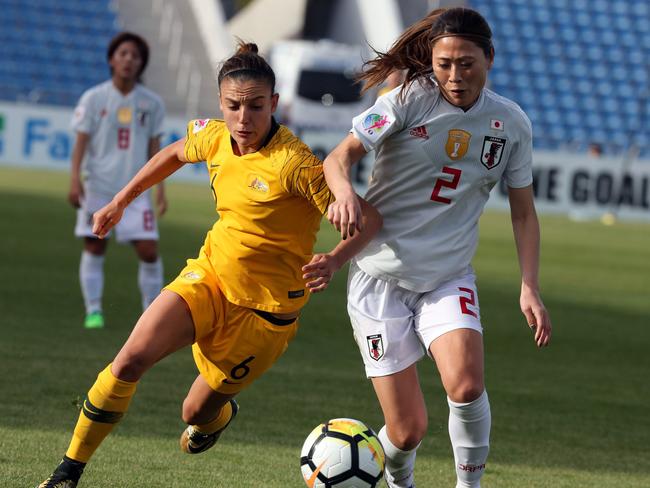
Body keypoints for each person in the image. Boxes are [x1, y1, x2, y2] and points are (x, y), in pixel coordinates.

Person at [37, 41, 381, 488]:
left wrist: (335, 259)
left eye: (256, 107)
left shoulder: (294, 164)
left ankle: (215, 418)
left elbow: (369, 220)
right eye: (234, 106)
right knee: (128, 362)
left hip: (265, 314)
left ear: (274, 103)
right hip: (210, 277)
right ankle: (68, 472)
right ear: (220, 103)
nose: (244, 118)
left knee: (193, 412)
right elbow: (174, 153)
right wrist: (120, 201)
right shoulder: (215, 135)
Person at [323, 7, 552, 488]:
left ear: (489, 58)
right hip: (379, 278)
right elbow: (339, 157)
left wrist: (529, 285)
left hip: (448, 275)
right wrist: (345, 193)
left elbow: (523, 212)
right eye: (444, 63)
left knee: (467, 386)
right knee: (407, 432)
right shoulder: (407, 99)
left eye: (466, 63)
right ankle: (398, 479)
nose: (454, 75)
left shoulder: (511, 123)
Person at [69, 32, 167, 329]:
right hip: (98, 187)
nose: (129, 60)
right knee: (95, 246)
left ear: (141, 64)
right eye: (123, 53)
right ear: (112, 59)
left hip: (136, 191)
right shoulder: (94, 97)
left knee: (149, 251)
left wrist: (160, 189)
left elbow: (156, 151)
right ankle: (94, 310)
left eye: (135, 56)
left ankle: (151, 315)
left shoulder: (152, 103)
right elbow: (80, 143)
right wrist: (75, 180)